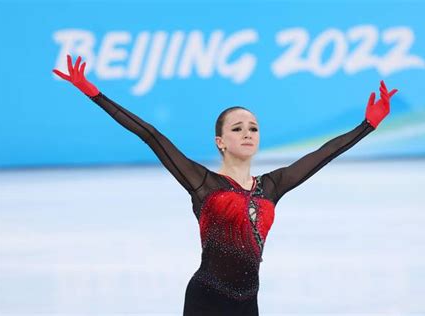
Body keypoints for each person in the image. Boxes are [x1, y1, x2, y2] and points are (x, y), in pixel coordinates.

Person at [53, 55, 398, 315]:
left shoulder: (271, 187)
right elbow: (151, 135)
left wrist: (367, 125)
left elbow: (323, 154)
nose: (248, 132)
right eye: (237, 128)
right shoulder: (203, 184)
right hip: (206, 299)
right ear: (220, 141)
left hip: (249, 302)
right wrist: (94, 94)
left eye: (253, 127)